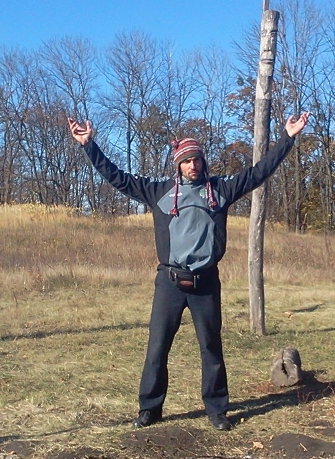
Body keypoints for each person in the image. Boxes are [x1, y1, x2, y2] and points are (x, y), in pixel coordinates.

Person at [68, 113, 310, 431]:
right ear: (178, 165)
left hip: (205, 283)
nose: (192, 166)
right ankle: (150, 409)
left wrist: (288, 138)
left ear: (202, 162)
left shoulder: (220, 190)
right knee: (157, 348)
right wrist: (89, 145)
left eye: (196, 160)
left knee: (211, 348)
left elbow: (258, 173)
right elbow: (118, 178)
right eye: (186, 161)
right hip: (169, 282)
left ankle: (217, 410)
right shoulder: (159, 191)